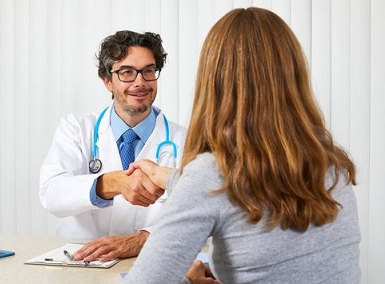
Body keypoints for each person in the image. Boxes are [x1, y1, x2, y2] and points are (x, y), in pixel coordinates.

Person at [122, 7, 361, 284]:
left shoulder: (210, 174)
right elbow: (253, 185)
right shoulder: (332, 167)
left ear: (214, 82)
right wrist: (173, 179)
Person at [39, 30, 187, 262]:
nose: (140, 82)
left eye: (148, 71)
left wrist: (144, 239)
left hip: (151, 261)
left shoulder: (185, 140)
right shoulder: (76, 129)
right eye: (127, 72)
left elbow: (201, 214)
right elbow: (51, 194)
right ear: (107, 81)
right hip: (79, 262)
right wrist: (113, 182)